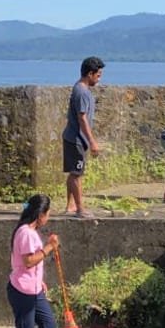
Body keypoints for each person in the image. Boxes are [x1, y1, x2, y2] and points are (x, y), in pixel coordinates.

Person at [6, 194, 63, 328]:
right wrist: (49, 247)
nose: (47, 218)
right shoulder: (26, 233)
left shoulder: (29, 231)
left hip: (34, 289)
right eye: (47, 214)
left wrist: (40, 281)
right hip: (22, 292)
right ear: (40, 215)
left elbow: (31, 265)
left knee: (48, 323)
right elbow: (28, 261)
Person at [62, 56, 105, 219]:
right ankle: (80, 209)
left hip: (75, 138)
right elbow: (82, 118)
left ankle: (71, 205)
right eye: (98, 75)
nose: (99, 79)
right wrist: (92, 142)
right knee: (76, 174)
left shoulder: (81, 89)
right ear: (90, 73)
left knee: (74, 172)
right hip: (76, 139)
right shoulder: (81, 91)